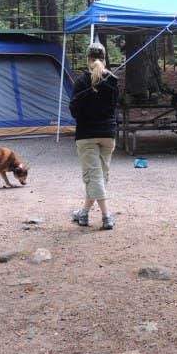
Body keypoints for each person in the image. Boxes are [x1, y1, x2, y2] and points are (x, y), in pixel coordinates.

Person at [68, 41, 119, 230]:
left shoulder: (81, 82)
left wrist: (85, 96)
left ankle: (106, 216)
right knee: (99, 176)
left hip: (87, 135)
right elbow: (114, 107)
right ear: (104, 60)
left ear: (88, 59)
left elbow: (74, 111)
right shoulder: (112, 81)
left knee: (95, 176)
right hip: (108, 134)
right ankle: (83, 213)